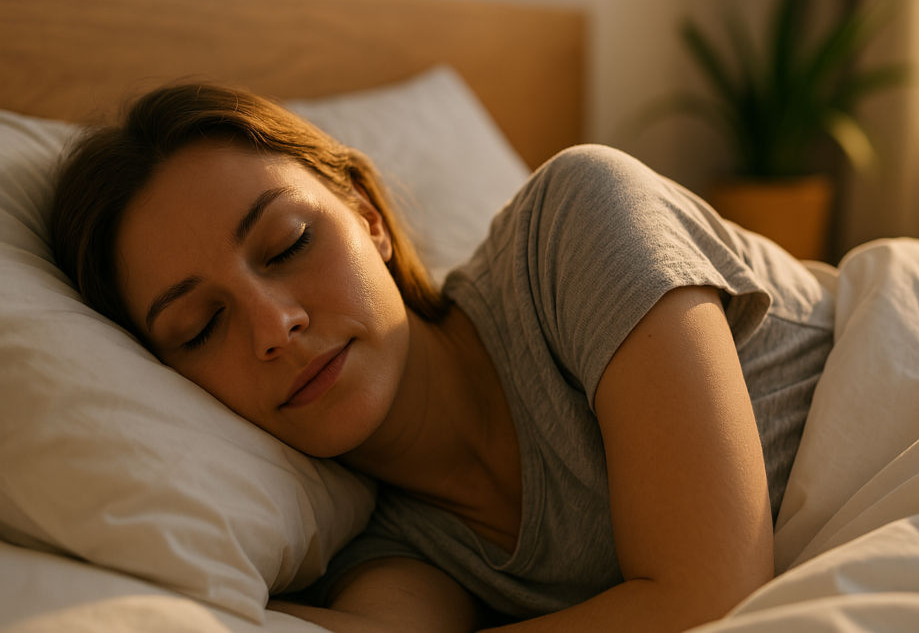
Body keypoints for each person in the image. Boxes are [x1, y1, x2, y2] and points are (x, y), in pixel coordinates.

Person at [51, 83, 834, 632]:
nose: (273, 326)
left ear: (367, 218)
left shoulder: (574, 222)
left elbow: (709, 599)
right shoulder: (384, 544)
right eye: (198, 327)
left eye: (288, 243)